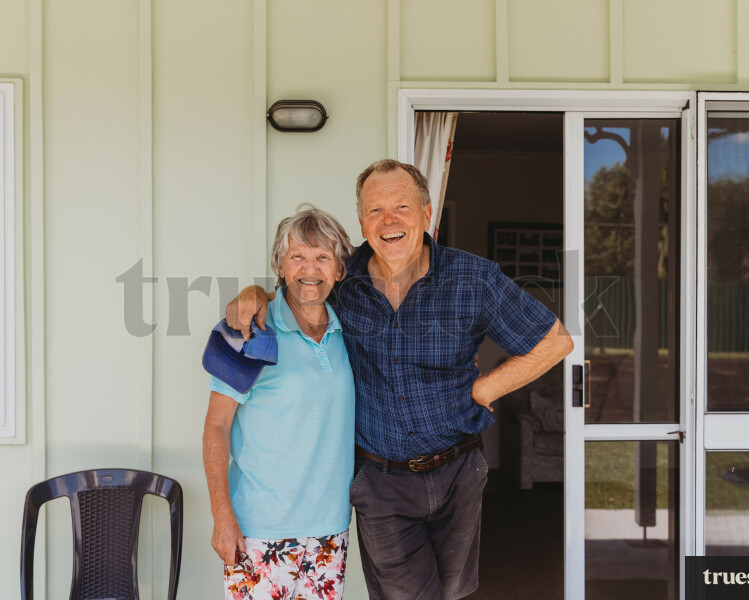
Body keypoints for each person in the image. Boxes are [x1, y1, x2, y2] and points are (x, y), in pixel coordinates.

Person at [227, 159, 574, 600]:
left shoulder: (472, 278)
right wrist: (253, 295)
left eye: (402, 207)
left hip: (459, 470)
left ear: (426, 214)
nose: (389, 221)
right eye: (375, 210)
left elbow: (555, 342)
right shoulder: (343, 277)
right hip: (381, 480)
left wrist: (486, 388)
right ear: (361, 222)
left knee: (451, 592)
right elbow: (299, 287)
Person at [203, 205, 356, 600]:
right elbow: (216, 425)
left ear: (340, 269)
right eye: (298, 256)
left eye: (323, 257)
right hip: (259, 529)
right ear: (281, 266)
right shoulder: (249, 331)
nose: (310, 269)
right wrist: (222, 516)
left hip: (330, 528)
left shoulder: (352, 330)